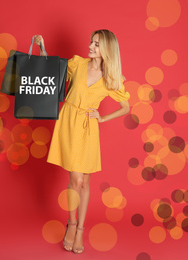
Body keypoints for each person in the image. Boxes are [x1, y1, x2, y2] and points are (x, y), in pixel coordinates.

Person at [34, 30, 130, 254]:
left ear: (106, 49)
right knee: (76, 180)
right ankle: (72, 224)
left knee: (85, 182)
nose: (91, 46)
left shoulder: (111, 78)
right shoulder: (77, 63)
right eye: (91, 41)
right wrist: (42, 49)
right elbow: (52, 73)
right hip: (69, 123)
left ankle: (79, 230)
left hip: (88, 128)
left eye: (96, 44)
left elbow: (125, 107)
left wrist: (102, 117)